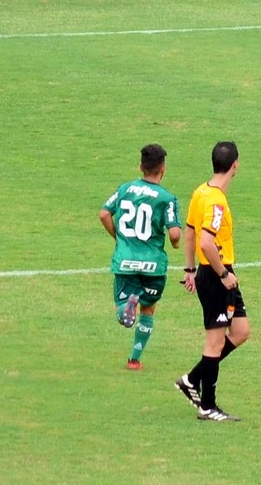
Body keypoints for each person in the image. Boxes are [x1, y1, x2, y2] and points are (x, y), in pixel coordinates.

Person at [174, 141, 247, 422]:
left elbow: (189, 233)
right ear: (235, 165)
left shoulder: (201, 191)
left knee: (240, 330)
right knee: (214, 342)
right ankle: (208, 406)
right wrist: (224, 274)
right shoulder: (216, 200)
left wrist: (189, 270)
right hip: (218, 275)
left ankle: (192, 379)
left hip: (208, 273)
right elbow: (205, 241)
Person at [99, 144, 181, 370]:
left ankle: (127, 306)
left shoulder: (125, 189)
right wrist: (176, 243)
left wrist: (119, 238)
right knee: (149, 308)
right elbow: (174, 233)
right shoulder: (167, 198)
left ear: (140, 166)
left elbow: (104, 213)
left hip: (125, 261)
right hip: (153, 265)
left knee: (122, 308)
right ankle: (134, 359)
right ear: (163, 169)